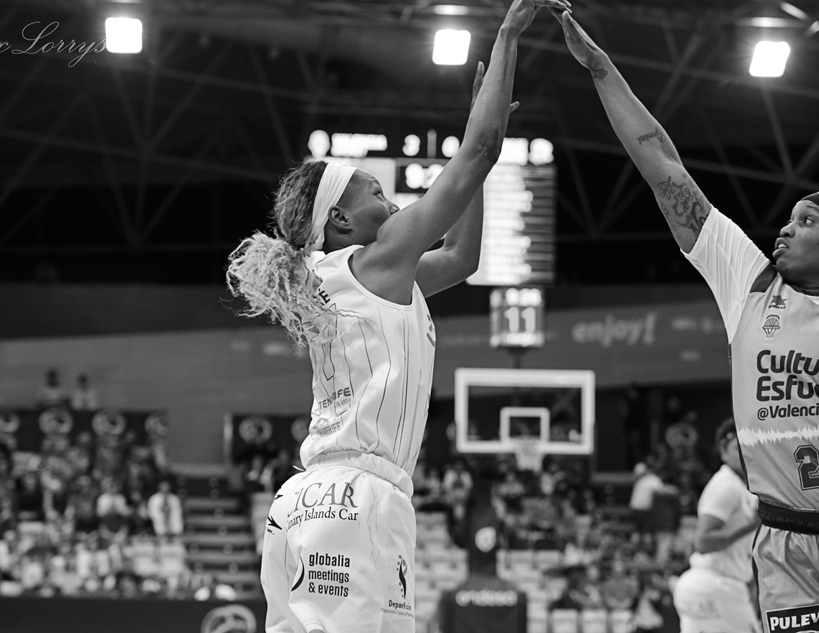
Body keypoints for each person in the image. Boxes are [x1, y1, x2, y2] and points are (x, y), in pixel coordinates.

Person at [226, 2, 569, 630]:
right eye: (377, 193)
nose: (391, 202)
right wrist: (508, 35)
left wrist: (477, 153)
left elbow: (461, 258)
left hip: (320, 499)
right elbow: (481, 149)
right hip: (352, 497)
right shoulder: (375, 260)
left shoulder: (362, 278)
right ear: (339, 219)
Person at [555, 9, 819, 629]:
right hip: (790, 548)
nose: (785, 228)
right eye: (789, 217)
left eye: (807, 221)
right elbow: (664, 167)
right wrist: (602, 70)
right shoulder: (750, 285)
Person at [672, 418, 761, 633]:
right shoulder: (726, 485)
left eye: (748, 446)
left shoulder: (744, 486)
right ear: (723, 452)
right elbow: (703, 542)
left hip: (708, 586)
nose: (744, 454)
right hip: (715, 585)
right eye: (737, 448)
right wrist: (751, 525)